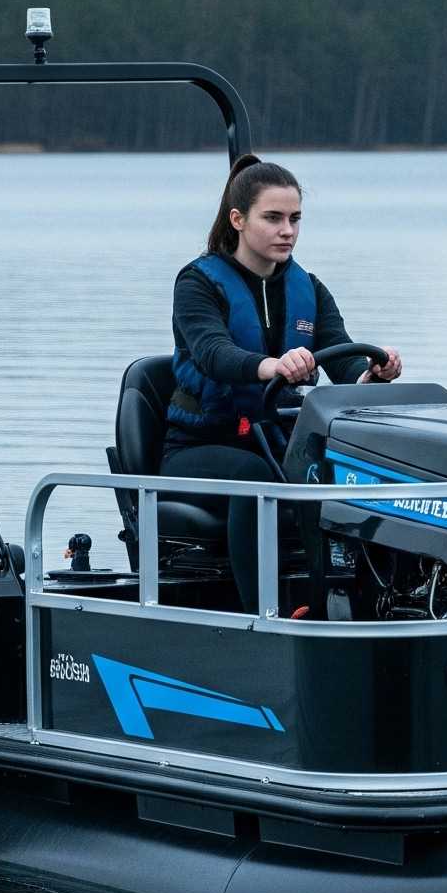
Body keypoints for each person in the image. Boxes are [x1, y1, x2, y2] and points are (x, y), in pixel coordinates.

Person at [162, 154, 402, 610]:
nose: (287, 230)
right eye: (272, 218)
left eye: (294, 219)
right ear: (238, 219)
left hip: (278, 441)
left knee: (356, 471)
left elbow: (345, 363)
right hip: (199, 446)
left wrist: (375, 374)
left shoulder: (307, 287)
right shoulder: (197, 284)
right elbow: (214, 353)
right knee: (257, 482)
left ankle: (367, 605)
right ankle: (265, 617)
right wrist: (272, 365)